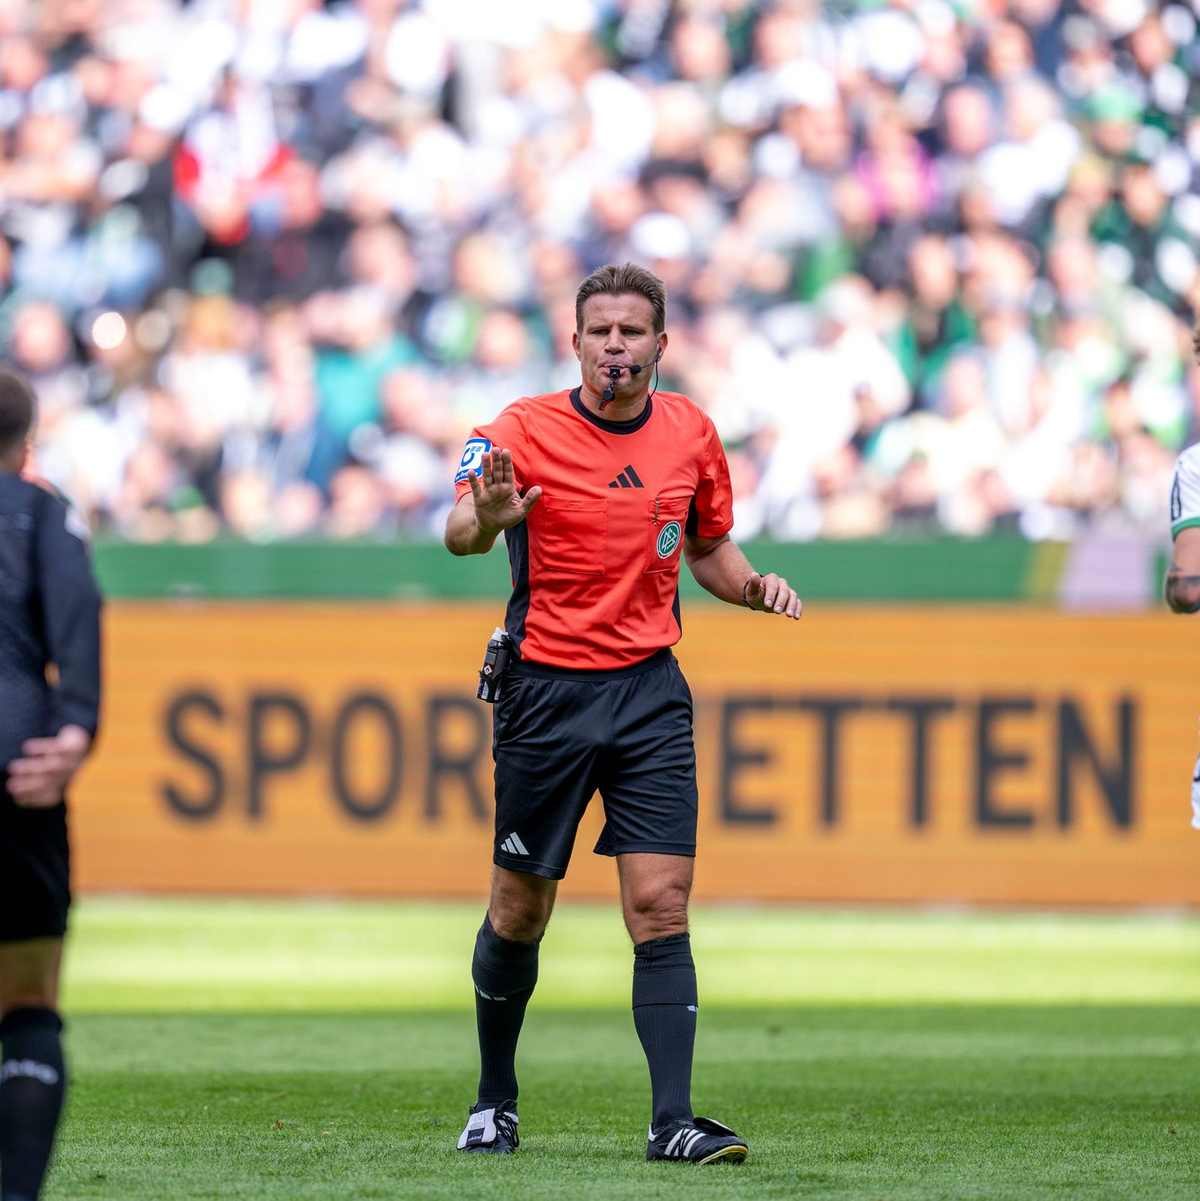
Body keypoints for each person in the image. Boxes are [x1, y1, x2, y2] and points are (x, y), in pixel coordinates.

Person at [443, 262, 801, 1164]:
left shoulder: (691, 432)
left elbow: (710, 548)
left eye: (632, 331)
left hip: (648, 690)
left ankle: (672, 1119)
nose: (615, 345)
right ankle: (495, 1098)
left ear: (659, 344)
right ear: (575, 342)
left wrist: (752, 587)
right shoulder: (518, 429)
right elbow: (457, 530)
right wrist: (486, 519)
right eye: (599, 330)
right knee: (519, 911)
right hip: (546, 692)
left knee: (661, 903)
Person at [0, 370, 103, 1201]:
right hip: (17, 765)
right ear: (27, 444)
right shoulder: (43, 511)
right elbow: (78, 612)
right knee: (29, 995)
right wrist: (75, 727)